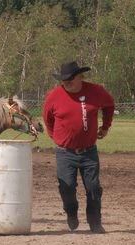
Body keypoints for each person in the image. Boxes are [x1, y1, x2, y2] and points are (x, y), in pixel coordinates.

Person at [43, 60, 115, 233]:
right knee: (66, 187)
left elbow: (109, 106)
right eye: (63, 79)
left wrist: (105, 127)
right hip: (65, 152)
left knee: (93, 188)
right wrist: (58, 139)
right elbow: (48, 120)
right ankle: (71, 212)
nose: (66, 82)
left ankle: (95, 222)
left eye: (70, 78)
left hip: (89, 151)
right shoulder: (54, 96)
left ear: (81, 77)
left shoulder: (96, 91)